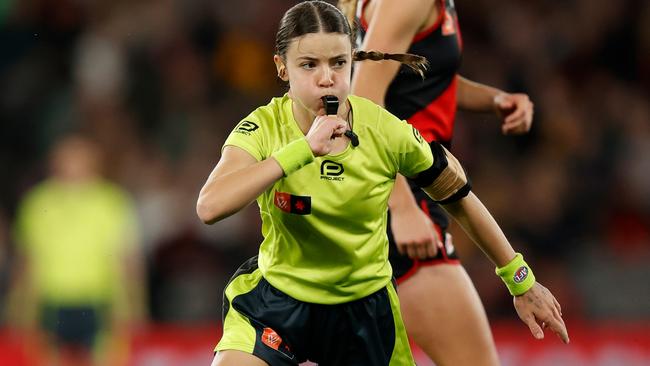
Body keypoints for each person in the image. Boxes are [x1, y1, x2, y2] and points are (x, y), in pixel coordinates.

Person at [197, 1, 567, 365]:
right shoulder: (263, 127)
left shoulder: (386, 131)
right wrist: (302, 150)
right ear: (282, 67)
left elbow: (459, 196)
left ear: (352, 62)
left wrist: (521, 281)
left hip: (364, 314)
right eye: (308, 65)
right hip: (279, 303)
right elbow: (210, 206)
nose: (326, 78)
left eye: (338, 63)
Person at [338, 0, 536, 364]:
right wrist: (402, 207)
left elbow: (420, 74)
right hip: (401, 190)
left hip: (379, 191)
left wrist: (495, 100)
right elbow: (363, 100)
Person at [8, 134, 146, 366]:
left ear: (95, 162)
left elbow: (127, 258)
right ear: (54, 163)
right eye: (66, 159)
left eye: (79, 159)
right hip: (51, 302)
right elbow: (26, 259)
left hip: (98, 302)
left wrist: (134, 307)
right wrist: (18, 308)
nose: (73, 165)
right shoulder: (37, 202)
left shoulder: (111, 201)